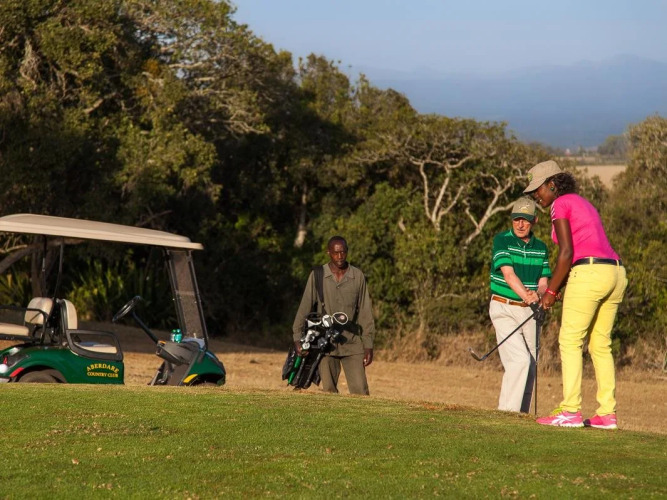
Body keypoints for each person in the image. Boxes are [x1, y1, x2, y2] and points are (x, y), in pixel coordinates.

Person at [524, 160, 627, 429]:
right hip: (615, 272)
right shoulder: (583, 202)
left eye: (538, 189)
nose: (535, 196)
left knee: (569, 340)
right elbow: (577, 252)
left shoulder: (560, 204)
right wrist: (556, 289)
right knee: (600, 345)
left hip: (590, 273)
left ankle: (570, 410)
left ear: (552, 185)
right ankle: (607, 414)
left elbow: (567, 253)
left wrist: (550, 291)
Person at [489, 196, 550, 413]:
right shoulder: (502, 240)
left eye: (525, 219)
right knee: (519, 361)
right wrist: (527, 295)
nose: (520, 224)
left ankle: (521, 417)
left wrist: (538, 294)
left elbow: (543, 282)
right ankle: (508, 415)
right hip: (504, 307)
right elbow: (508, 274)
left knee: (531, 365)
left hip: (530, 312)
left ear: (534, 221)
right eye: (516, 219)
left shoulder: (541, 248)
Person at [292, 236, 375, 395]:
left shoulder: (357, 276)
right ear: (328, 252)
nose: (340, 256)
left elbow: (365, 313)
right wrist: (297, 338)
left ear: (347, 252)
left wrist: (368, 345)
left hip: (352, 343)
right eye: (336, 253)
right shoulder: (317, 275)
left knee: (361, 392)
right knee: (329, 392)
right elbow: (304, 308)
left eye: (343, 252)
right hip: (325, 344)